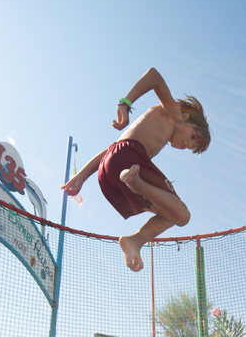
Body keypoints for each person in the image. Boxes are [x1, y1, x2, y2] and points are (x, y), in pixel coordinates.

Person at [62, 68, 211, 271]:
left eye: (190, 147)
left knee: (172, 214)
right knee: (182, 214)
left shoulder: (150, 136)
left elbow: (110, 153)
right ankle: (138, 186)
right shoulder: (173, 113)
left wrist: (81, 177)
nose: (187, 144)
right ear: (185, 117)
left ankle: (135, 240)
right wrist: (126, 103)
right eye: (192, 137)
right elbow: (154, 76)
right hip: (126, 162)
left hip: (109, 172)